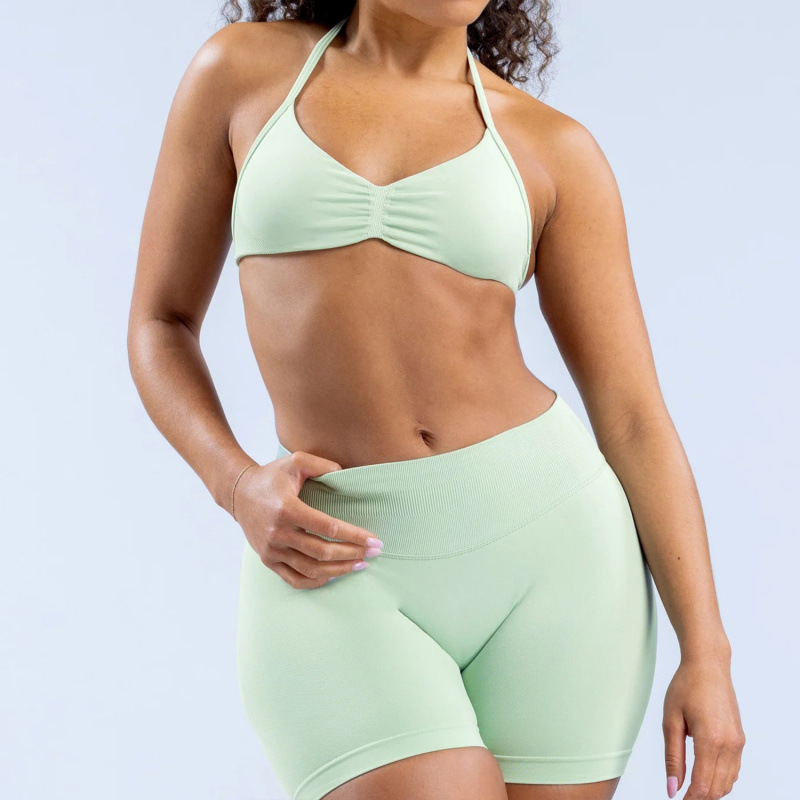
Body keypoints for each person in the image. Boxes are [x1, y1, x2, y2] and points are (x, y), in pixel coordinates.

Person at [127, 2, 745, 799]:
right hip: (331, 560)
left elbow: (633, 419)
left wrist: (708, 653)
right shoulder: (241, 73)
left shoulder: (551, 147)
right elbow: (159, 324)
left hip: (556, 562)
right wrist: (236, 482)